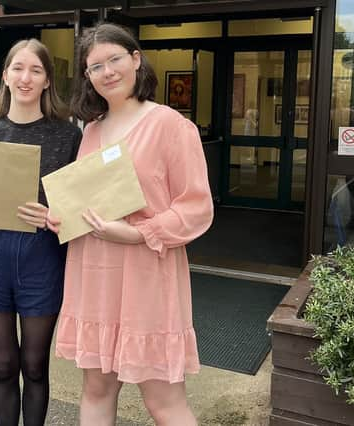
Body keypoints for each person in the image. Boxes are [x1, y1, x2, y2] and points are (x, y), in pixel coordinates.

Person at [48, 23, 214, 425]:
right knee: (96, 390)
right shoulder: (91, 130)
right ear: (88, 76)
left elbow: (196, 207)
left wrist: (140, 232)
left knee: (164, 401)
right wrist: (64, 216)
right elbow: (88, 198)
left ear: (136, 59)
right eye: (95, 66)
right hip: (94, 273)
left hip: (146, 274)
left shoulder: (171, 126)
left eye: (114, 59)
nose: (107, 72)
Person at [0, 39, 82, 426]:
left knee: (35, 366)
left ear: (47, 82)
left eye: (36, 70)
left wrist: (55, 215)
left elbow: (78, 212)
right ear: (6, 76)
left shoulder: (67, 137)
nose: (26, 78)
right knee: (5, 366)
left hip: (42, 258)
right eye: (18, 68)